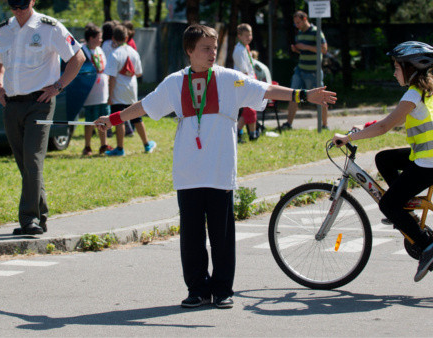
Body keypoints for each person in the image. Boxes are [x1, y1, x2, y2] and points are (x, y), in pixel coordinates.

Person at [94, 24, 336, 309]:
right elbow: (145, 106)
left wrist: (303, 94)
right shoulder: (174, 82)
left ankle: (223, 289)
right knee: (192, 236)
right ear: (189, 51)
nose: (212, 54)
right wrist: (113, 119)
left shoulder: (230, 79)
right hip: (188, 171)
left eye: (214, 47)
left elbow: (267, 89)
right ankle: (197, 289)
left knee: (222, 235)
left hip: (220, 170)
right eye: (205, 49)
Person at [332, 41, 433, 282]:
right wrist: (363, 128)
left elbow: (385, 126)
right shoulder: (431, 90)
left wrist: (348, 137)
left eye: (396, 67)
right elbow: (391, 120)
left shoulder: (413, 93)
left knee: (388, 205)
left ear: (409, 68)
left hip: (431, 162)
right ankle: (405, 209)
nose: (394, 72)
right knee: (384, 159)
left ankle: (427, 246)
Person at [0, 0, 85, 235]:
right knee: (25, 164)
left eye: (22, 5)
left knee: (33, 160)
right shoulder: (5, 30)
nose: (18, 10)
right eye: (13, 5)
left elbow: (78, 57)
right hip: (12, 104)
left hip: (39, 103)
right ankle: (40, 215)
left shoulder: (49, 27)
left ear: (33, 1)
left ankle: (29, 219)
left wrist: (58, 86)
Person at [105, 25, 156, 156]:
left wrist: (110, 96)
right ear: (127, 37)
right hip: (132, 91)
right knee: (137, 118)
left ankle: (120, 148)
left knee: (118, 119)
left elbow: (112, 77)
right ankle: (146, 144)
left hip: (118, 92)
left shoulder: (114, 54)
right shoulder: (134, 52)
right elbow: (139, 73)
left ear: (113, 38)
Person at [282, 10, 329, 130]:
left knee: (321, 98)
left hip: (314, 72)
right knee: (293, 95)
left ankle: (324, 125)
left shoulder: (316, 31)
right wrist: (297, 50)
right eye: (295, 23)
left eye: (298, 22)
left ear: (305, 19)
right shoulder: (300, 33)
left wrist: (305, 47)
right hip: (300, 69)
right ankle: (289, 124)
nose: (296, 25)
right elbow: (304, 51)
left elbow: (324, 49)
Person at [81, 24, 112, 156]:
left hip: (103, 91)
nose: (101, 40)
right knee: (89, 120)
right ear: (91, 38)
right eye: (99, 38)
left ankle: (103, 145)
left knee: (103, 119)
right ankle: (87, 146)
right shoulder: (83, 51)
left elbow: (105, 68)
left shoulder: (99, 50)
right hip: (90, 92)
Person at [232, 23, 261, 142]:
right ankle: (251, 133)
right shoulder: (239, 50)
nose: (249, 37)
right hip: (242, 82)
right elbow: (244, 71)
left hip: (248, 81)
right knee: (250, 107)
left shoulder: (246, 48)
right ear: (239, 36)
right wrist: (251, 84)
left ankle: (238, 132)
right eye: (246, 35)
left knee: (248, 108)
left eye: (250, 35)